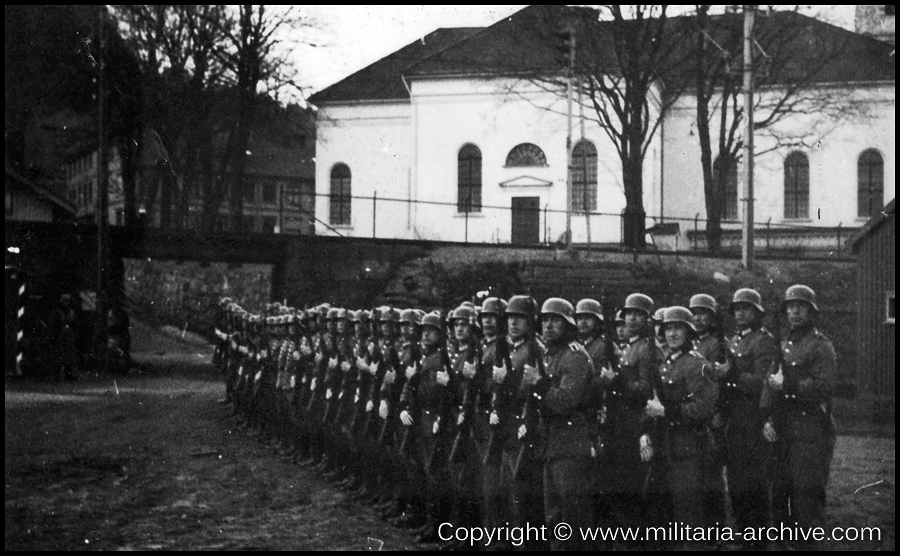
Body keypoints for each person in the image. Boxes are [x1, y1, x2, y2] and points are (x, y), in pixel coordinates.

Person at [765, 285, 836, 549]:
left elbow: (823, 387)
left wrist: (788, 386)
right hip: (784, 428)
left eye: (801, 306)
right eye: (790, 307)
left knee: (806, 500)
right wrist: (769, 417)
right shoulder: (784, 343)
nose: (794, 311)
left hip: (810, 431)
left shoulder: (820, 345)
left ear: (811, 311)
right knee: (781, 499)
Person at [522, 297, 594, 551]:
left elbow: (566, 401)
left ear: (568, 325)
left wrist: (538, 384)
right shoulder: (550, 355)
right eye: (545, 320)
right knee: (554, 517)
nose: (549, 326)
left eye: (556, 320)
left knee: (572, 519)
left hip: (571, 443)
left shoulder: (575, 356)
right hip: (551, 443)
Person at [645, 306, 717, 543]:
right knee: (664, 513)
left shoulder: (697, 364)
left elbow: (703, 408)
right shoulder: (667, 363)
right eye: (668, 328)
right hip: (666, 445)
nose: (672, 334)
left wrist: (666, 411)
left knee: (689, 514)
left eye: (678, 328)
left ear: (689, 333)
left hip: (688, 448)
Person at [723, 288, 778, 548]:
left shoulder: (763, 341)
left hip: (753, 419)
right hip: (734, 419)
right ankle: (745, 534)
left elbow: (762, 382)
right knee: (736, 482)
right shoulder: (735, 341)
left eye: (747, 308)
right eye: (737, 308)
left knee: (754, 482)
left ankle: (758, 540)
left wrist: (731, 376)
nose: (741, 313)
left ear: (758, 313)